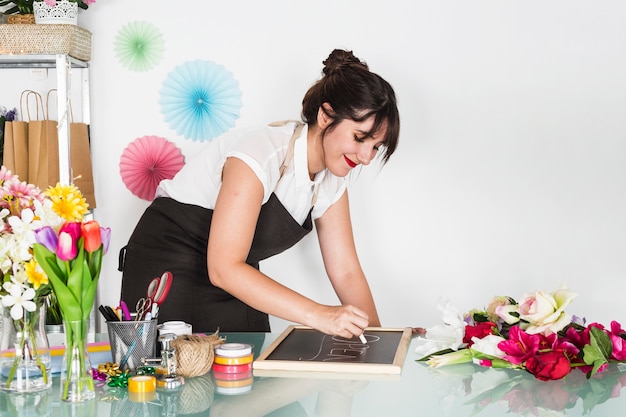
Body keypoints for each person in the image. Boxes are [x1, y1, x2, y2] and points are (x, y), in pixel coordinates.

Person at [119, 49, 400, 339]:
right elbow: (223, 268)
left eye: (376, 147)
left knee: (250, 373)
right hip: (170, 267)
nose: (366, 156)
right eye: (360, 138)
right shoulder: (260, 152)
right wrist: (320, 315)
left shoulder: (332, 183)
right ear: (326, 116)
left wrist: (382, 339)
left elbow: (346, 272)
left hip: (235, 274)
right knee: (178, 374)